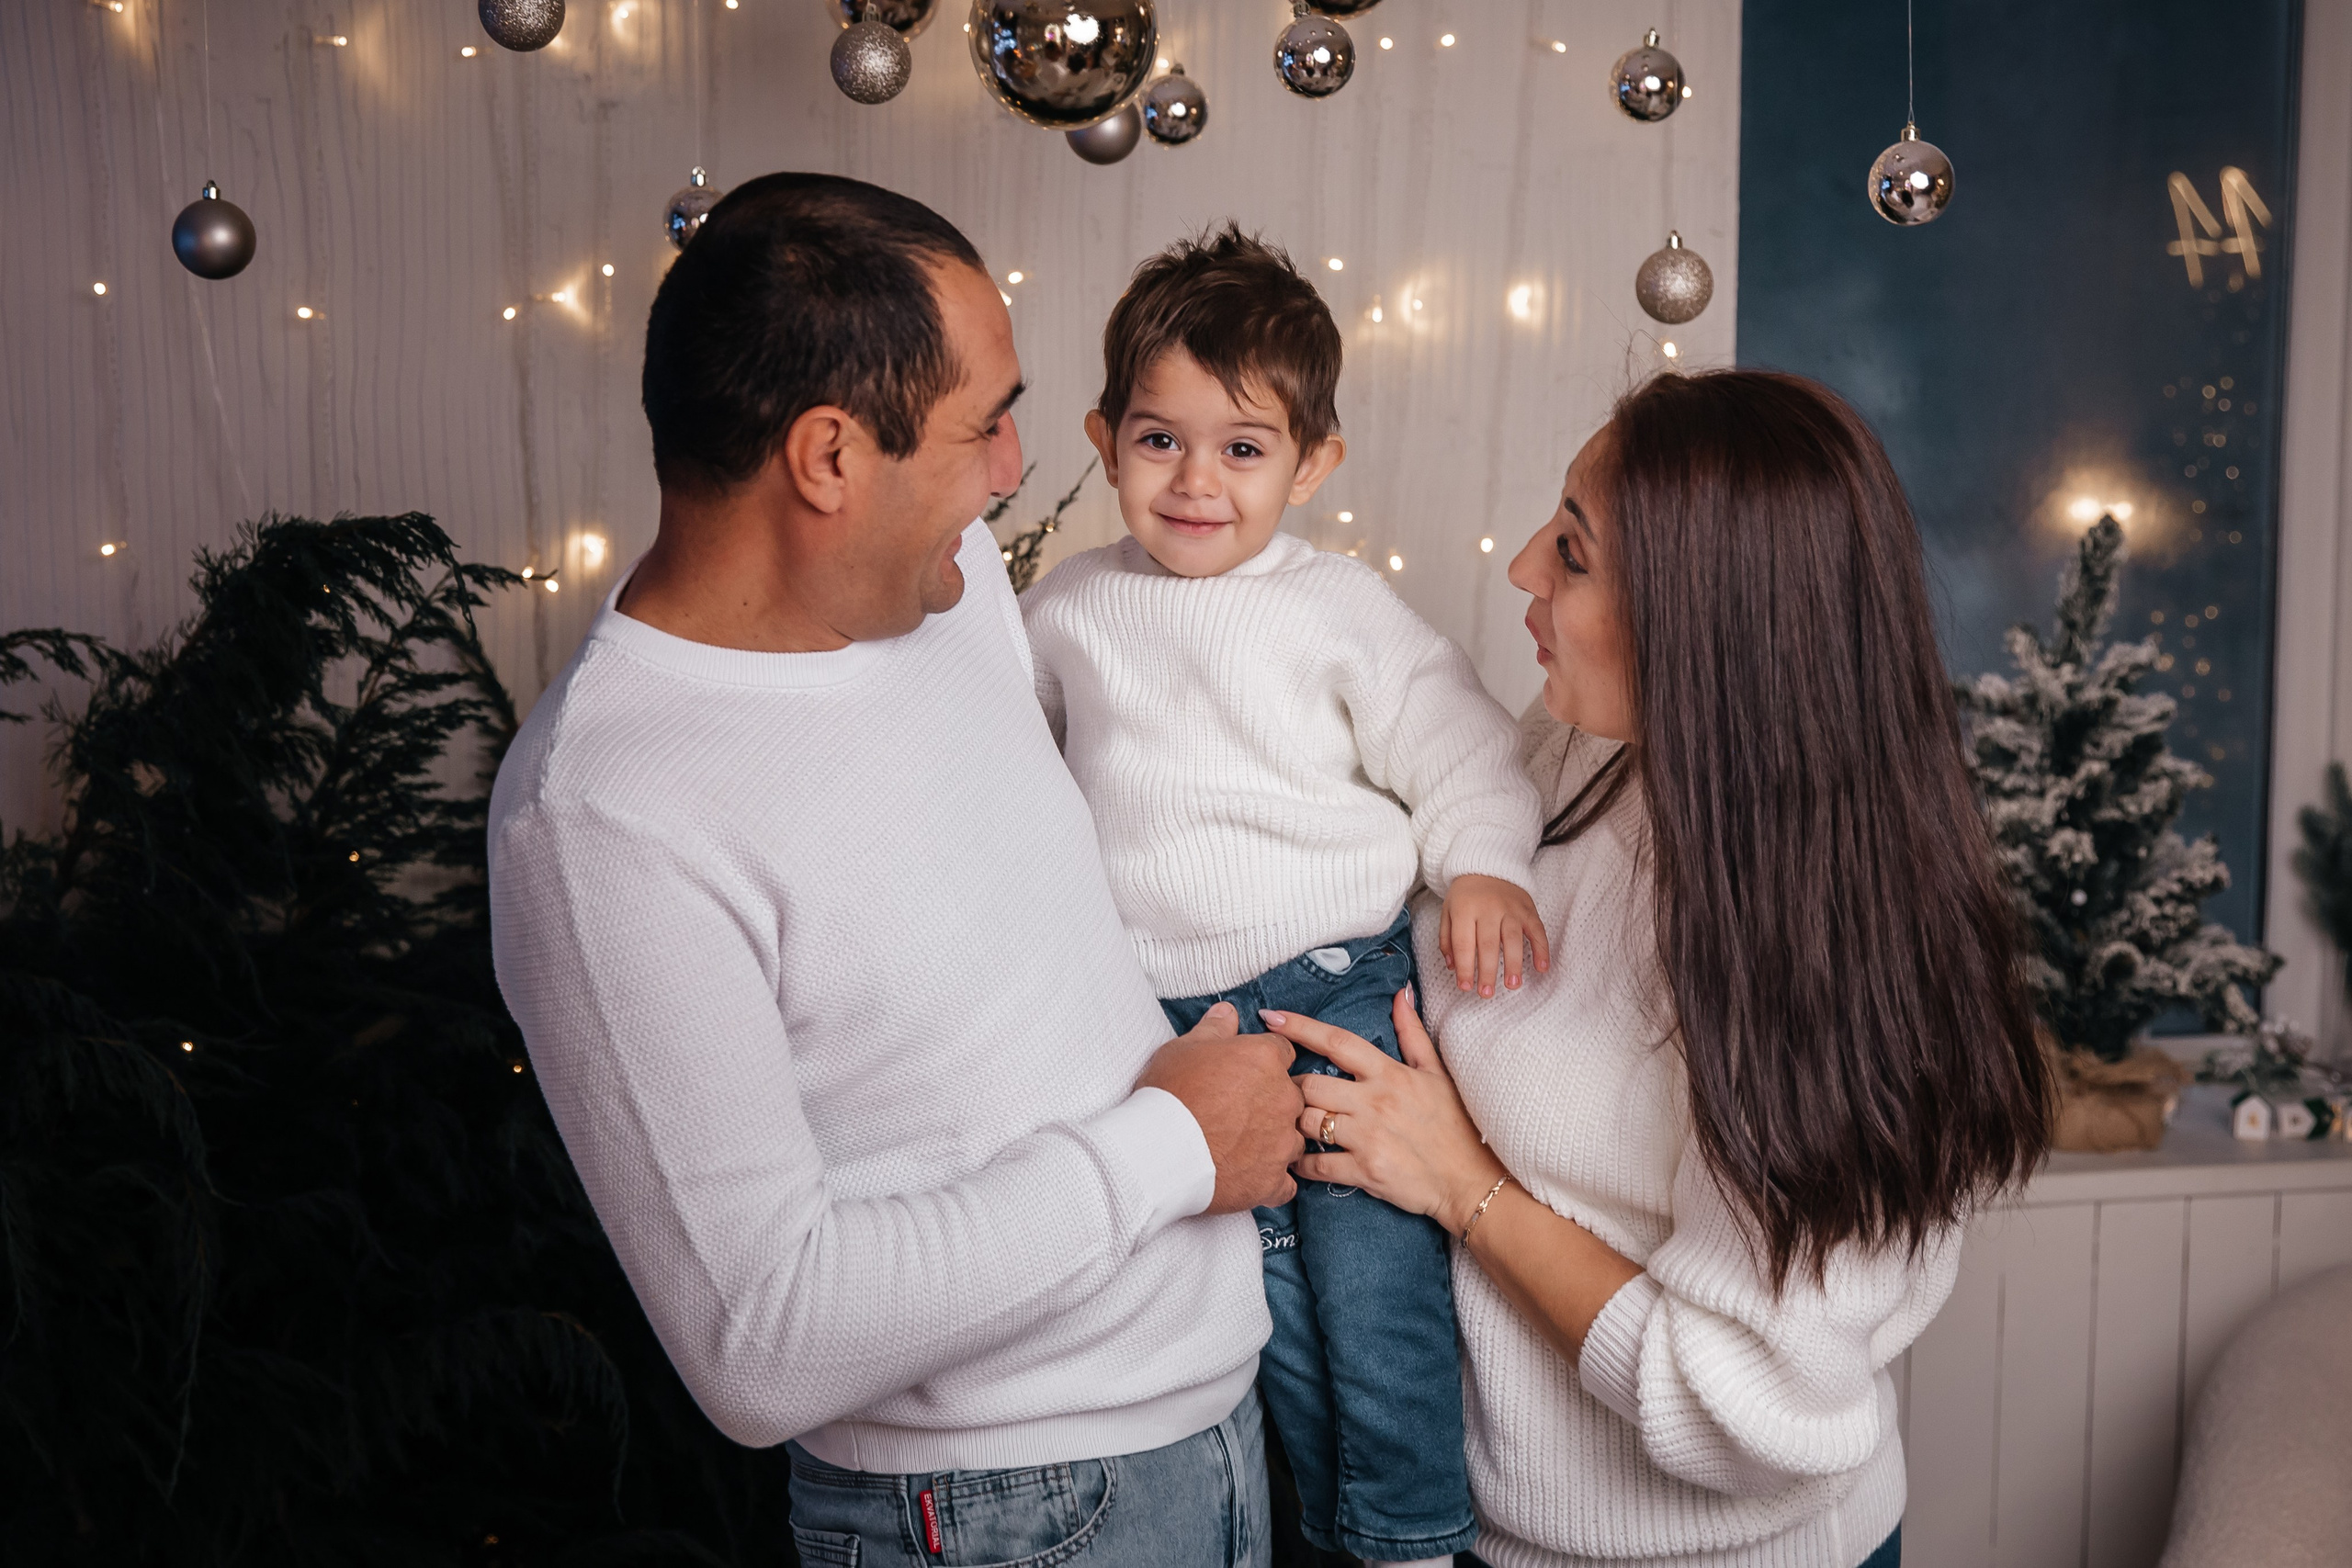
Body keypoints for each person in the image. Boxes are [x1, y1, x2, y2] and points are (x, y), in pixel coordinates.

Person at [487, 173, 1307, 1568]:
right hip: (1001, 1521)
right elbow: (764, 1342)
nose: (1014, 466)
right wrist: (1170, 1149)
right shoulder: (601, 818)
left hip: (1219, 1440)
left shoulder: (949, 584)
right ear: (826, 458)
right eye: (980, 424)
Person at [1257, 369, 2053, 1568]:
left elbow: (1751, 1411)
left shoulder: (1819, 965)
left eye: (1573, 554)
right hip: (1483, 1528)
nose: (1523, 567)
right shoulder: (1577, 748)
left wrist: (1464, 1184)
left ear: (1707, 626)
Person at [1021, 226, 1544, 1568]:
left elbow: (1459, 744)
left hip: (1335, 995)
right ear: (1102, 435)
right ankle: (1332, 1540)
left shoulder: (1338, 608)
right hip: (1163, 1024)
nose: (1198, 481)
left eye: (1244, 448)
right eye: (1159, 440)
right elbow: (1007, 783)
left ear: (1314, 464)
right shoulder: (1069, 609)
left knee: (1373, 1294)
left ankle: (1414, 1537)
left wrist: (1483, 861)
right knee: (1253, 1324)